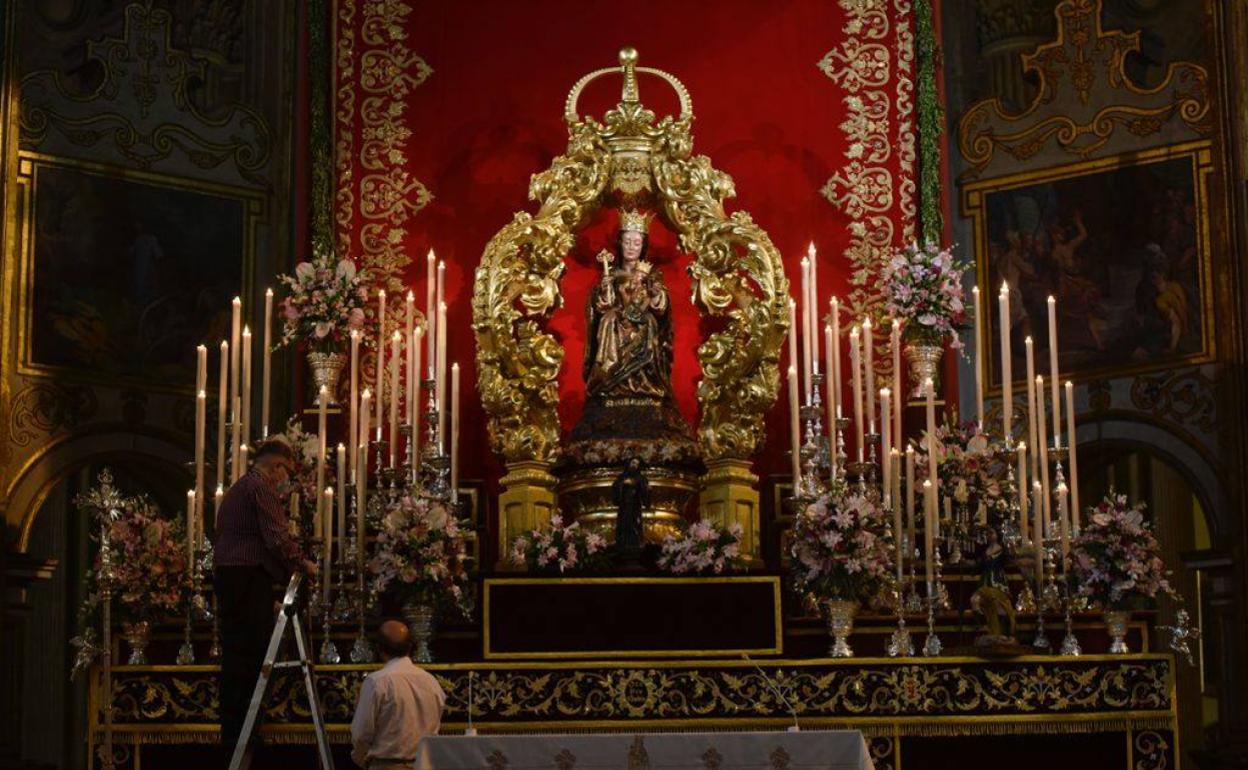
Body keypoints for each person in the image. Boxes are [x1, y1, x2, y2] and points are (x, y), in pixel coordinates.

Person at [212, 436, 316, 759]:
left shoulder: (238, 488)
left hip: (230, 577)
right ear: (276, 466)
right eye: (287, 472)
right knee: (250, 658)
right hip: (246, 579)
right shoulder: (261, 488)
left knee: (236, 658)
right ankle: (244, 734)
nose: (287, 481)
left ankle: (235, 736)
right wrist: (304, 565)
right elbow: (276, 537)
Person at [351, 620, 447, 769]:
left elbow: (361, 734)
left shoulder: (377, 682)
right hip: (424, 764)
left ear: (379, 648)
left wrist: (362, 759)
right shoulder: (431, 682)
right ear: (410, 647)